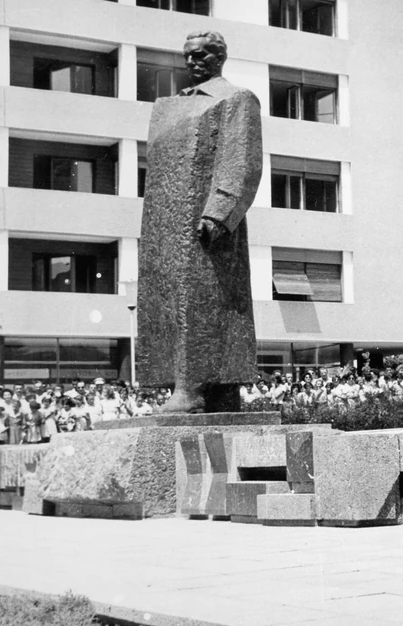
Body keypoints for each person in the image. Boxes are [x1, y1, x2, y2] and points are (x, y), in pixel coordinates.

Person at [136, 30, 263, 413]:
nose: (194, 61)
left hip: (204, 222)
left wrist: (220, 211)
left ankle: (193, 389)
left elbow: (242, 158)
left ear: (220, 57)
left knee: (205, 301)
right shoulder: (168, 107)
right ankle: (209, 390)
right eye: (189, 54)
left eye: (204, 54)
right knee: (169, 302)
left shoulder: (236, 98)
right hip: (165, 222)